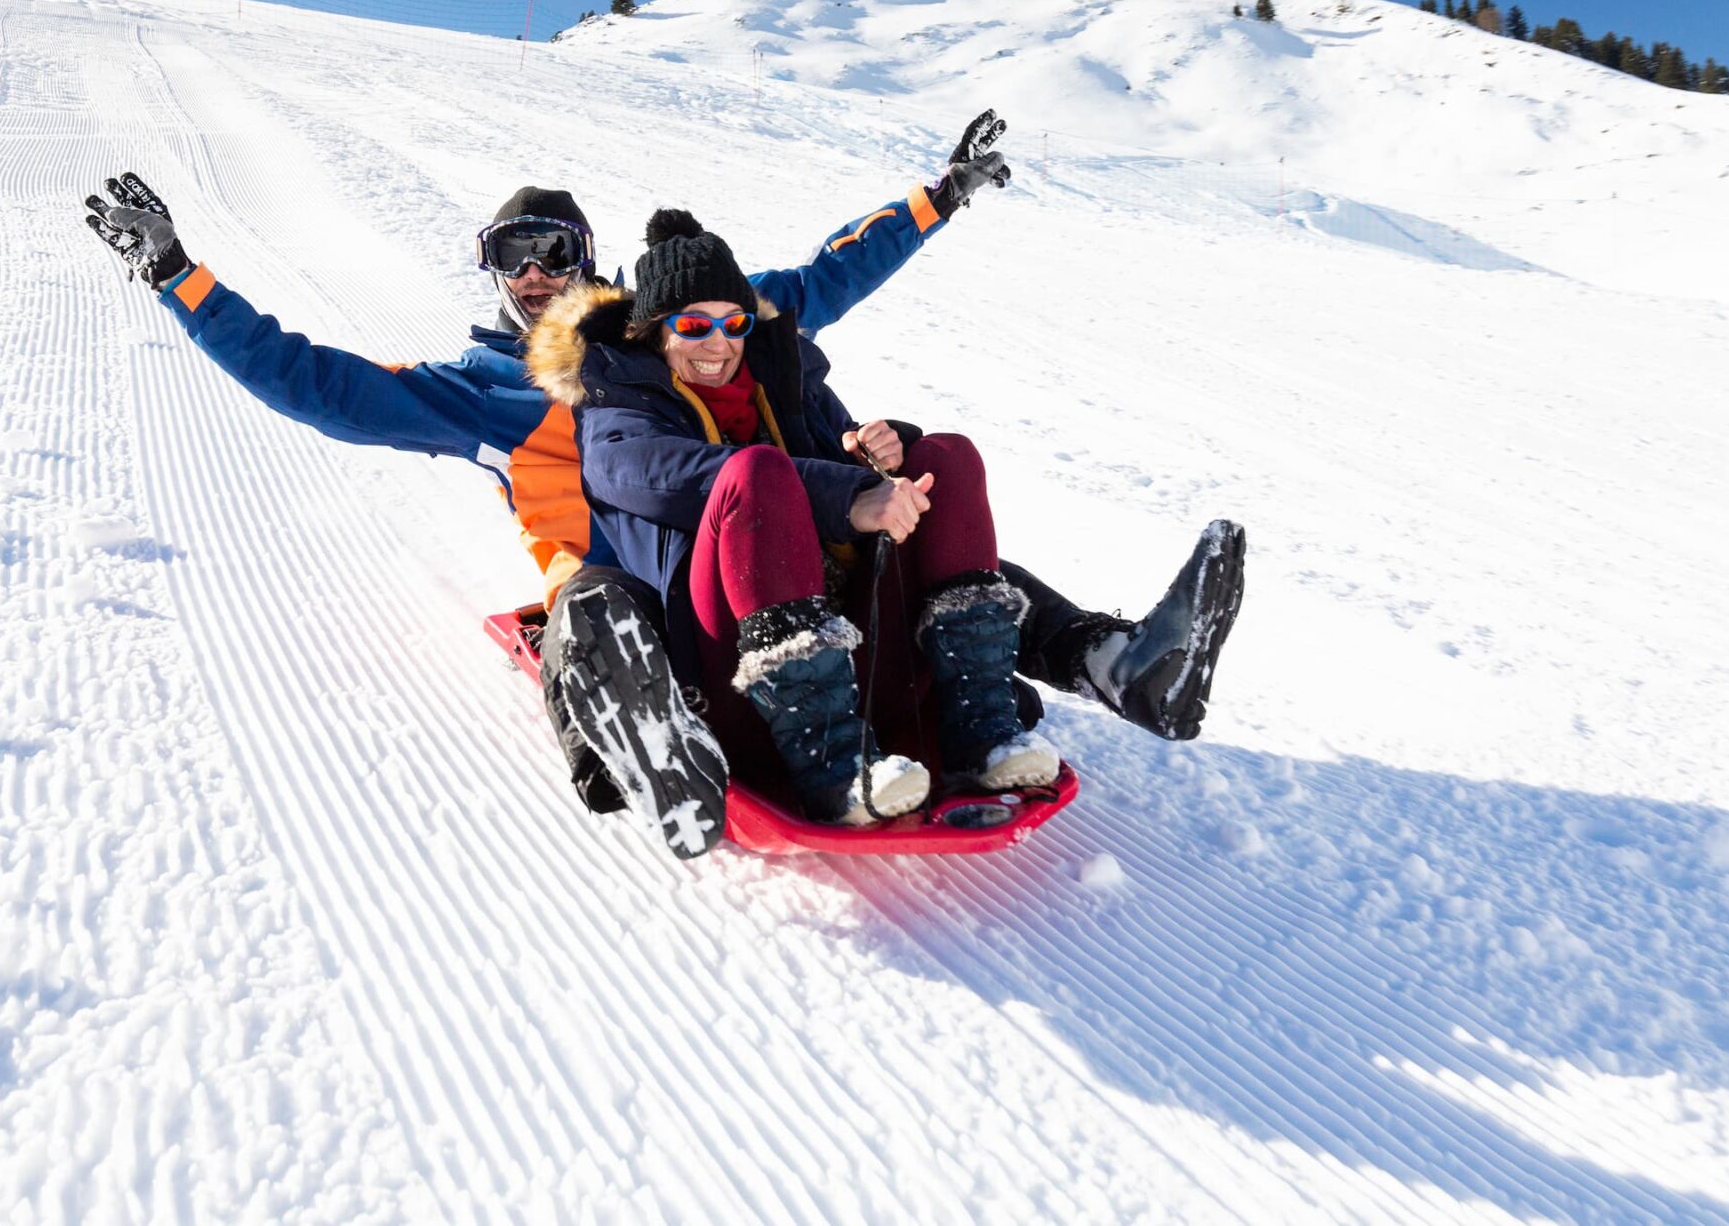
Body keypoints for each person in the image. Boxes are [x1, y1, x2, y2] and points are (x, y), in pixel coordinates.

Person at [82, 113, 1244, 855]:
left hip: (755, 558)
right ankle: (642, 745)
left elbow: (817, 283)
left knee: (917, 525)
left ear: (589, 261)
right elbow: (313, 382)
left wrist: (934, 200)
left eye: (554, 250)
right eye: (510, 257)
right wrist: (180, 276)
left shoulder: (663, 332)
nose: (534, 274)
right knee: (594, 607)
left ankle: (1106, 659)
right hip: (627, 588)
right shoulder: (483, 388)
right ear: (489, 276)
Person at [530, 208, 1109, 831]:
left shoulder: (782, 377)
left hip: (857, 648)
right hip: (732, 678)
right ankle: (834, 768)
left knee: (948, 457)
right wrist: (847, 493)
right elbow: (681, 475)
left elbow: (846, 464)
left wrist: (870, 455)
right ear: (653, 332)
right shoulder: (615, 410)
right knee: (756, 474)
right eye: (694, 325)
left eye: (734, 322)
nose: (718, 343)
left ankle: (982, 732)